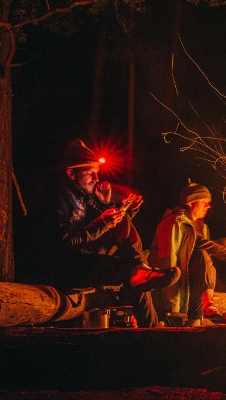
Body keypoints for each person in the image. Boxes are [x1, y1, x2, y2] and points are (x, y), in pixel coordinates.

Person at [52, 139, 181, 328]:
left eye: (97, 174)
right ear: (71, 173)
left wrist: (110, 206)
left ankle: (151, 326)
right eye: (90, 173)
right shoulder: (59, 198)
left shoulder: (84, 198)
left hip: (86, 260)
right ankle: (152, 329)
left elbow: (110, 228)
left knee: (134, 271)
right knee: (132, 272)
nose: (96, 179)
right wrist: (103, 222)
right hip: (68, 267)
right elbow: (64, 241)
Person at [149, 179, 226, 326]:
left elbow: (199, 252)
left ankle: (199, 312)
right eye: (204, 201)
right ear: (190, 202)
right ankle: (203, 308)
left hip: (191, 295)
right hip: (169, 298)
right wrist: (171, 305)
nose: (209, 205)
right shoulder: (173, 223)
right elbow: (167, 262)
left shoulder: (201, 227)